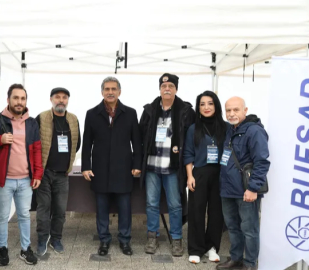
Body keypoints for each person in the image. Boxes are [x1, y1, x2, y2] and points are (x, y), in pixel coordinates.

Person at [82, 76, 142, 256]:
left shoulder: (130, 113)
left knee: (125, 208)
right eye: (107, 89)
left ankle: (125, 241)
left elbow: (136, 142)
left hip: (124, 169)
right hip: (100, 170)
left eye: (113, 89)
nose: (110, 92)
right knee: (102, 208)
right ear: (102, 92)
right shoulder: (92, 114)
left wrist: (137, 163)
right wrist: (86, 166)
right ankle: (104, 241)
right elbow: (87, 143)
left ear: (119, 92)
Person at [139, 73, 195, 257]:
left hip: (173, 167)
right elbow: (140, 137)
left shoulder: (186, 111)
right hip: (152, 166)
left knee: (175, 204)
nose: (167, 89)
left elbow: (193, 138)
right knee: (152, 203)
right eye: (164, 86)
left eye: (171, 85)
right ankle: (152, 236)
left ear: (176, 89)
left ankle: (177, 238)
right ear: (160, 89)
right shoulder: (149, 110)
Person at [216, 97, 270, 270]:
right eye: (228, 110)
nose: (231, 114)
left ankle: (250, 263)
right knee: (233, 227)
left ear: (245, 110)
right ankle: (236, 259)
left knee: (249, 229)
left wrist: (253, 188)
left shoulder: (254, 131)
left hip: (246, 191)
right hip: (228, 190)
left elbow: (261, 162)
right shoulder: (230, 130)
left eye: (236, 110)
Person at [0, 83, 43, 266]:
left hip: (25, 180)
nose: (19, 102)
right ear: (8, 100)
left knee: (24, 215)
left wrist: (37, 174)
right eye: (16, 98)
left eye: (22, 98)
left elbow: (37, 150)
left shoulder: (31, 123)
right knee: (2, 216)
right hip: (3, 181)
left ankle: (25, 249)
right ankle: (3, 249)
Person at [35, 87, 81, 256]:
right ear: (51, 99)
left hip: (63, 174)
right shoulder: (41, 118)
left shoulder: (73, 119)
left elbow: (78, 143)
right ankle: (42, 239)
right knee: (43, 209)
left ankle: (56, 238)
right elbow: (33, 143)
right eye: (57, 97)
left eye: (64, 97)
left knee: (60, 210)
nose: (61, 100)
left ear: (67, 100)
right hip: (44, 173)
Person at [183, 91, 227, 264]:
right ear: (198, 107)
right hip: (199, 173)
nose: (206, 107)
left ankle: (212, 247)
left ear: (216, 105)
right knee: (196, 211)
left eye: (210, 103)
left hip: (220, 174)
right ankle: (195, 249)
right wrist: (189, 176)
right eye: (202, 104)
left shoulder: (225, 127)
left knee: (217, 213)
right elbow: (188, 153)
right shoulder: (194, 128)